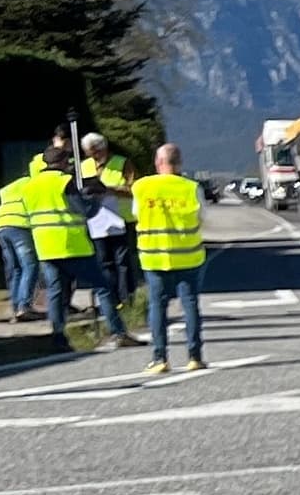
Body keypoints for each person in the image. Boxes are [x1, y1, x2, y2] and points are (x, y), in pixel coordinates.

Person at [4, 147, 99, 346]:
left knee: (22, 273)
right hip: (70, 243)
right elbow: (84, 210)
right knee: (103, 287)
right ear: (65, 162)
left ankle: (54, 333)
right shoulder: (63, 182)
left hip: (40, 242)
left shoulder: (26, 186)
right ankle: (117, 331)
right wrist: (93, 198)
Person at [133, 143, 207, 374]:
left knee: (157, 306)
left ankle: (159, 358)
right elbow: (201, 217)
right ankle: (195, 357)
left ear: (158, 162)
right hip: (188, 256)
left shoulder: (142, 187)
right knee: (190, 305)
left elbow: (136, 213)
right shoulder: (191, 187)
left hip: (154, 257)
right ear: (180, 162)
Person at [78, 133, 142, 349]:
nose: (93, 156)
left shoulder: (122, 163)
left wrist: (110, 190)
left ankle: (127, 299)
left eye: (95, 151)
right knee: (104, 263)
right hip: (97, 221)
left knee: (123, 262)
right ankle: (112, 300)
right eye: (89, 153)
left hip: (122, 220)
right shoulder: (84, 166)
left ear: (102, 147)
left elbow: (134, 189)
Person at [0, 151, 46, 324]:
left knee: (15, 268)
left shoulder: (17, 183)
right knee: (30, 265)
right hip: (19, 224)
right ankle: (24, 306)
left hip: (0, 224)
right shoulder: (38, 184)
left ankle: (16, 307)